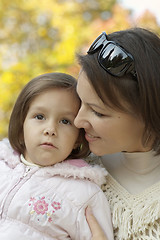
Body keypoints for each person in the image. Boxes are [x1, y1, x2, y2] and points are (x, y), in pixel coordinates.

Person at [0, 72, 114, 240]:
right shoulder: (3, 165)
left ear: (78, 138)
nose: (50, 129)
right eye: (39, 117)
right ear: (22, 123)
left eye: (65, 121)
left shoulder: (84, 194)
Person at [74, 27, 160, 239]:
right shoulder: (75, 169)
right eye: (79, 102)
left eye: (97, 112)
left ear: (149, 114)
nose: (77, 121)